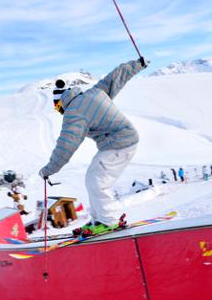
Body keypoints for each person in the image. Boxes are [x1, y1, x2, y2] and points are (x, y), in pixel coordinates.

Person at [39, 57, 149, 235]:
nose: (60, 113)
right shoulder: (94, 92)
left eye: (58, 109)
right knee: (92, 178)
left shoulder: (73, 112)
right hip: (119, 142)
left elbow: (66, 146)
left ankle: (109, 221)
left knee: (97, 181)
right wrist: (137, 65)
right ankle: (99, 219)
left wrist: (49, 170)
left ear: (61, 104)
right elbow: (115, 77)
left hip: (120, 143)